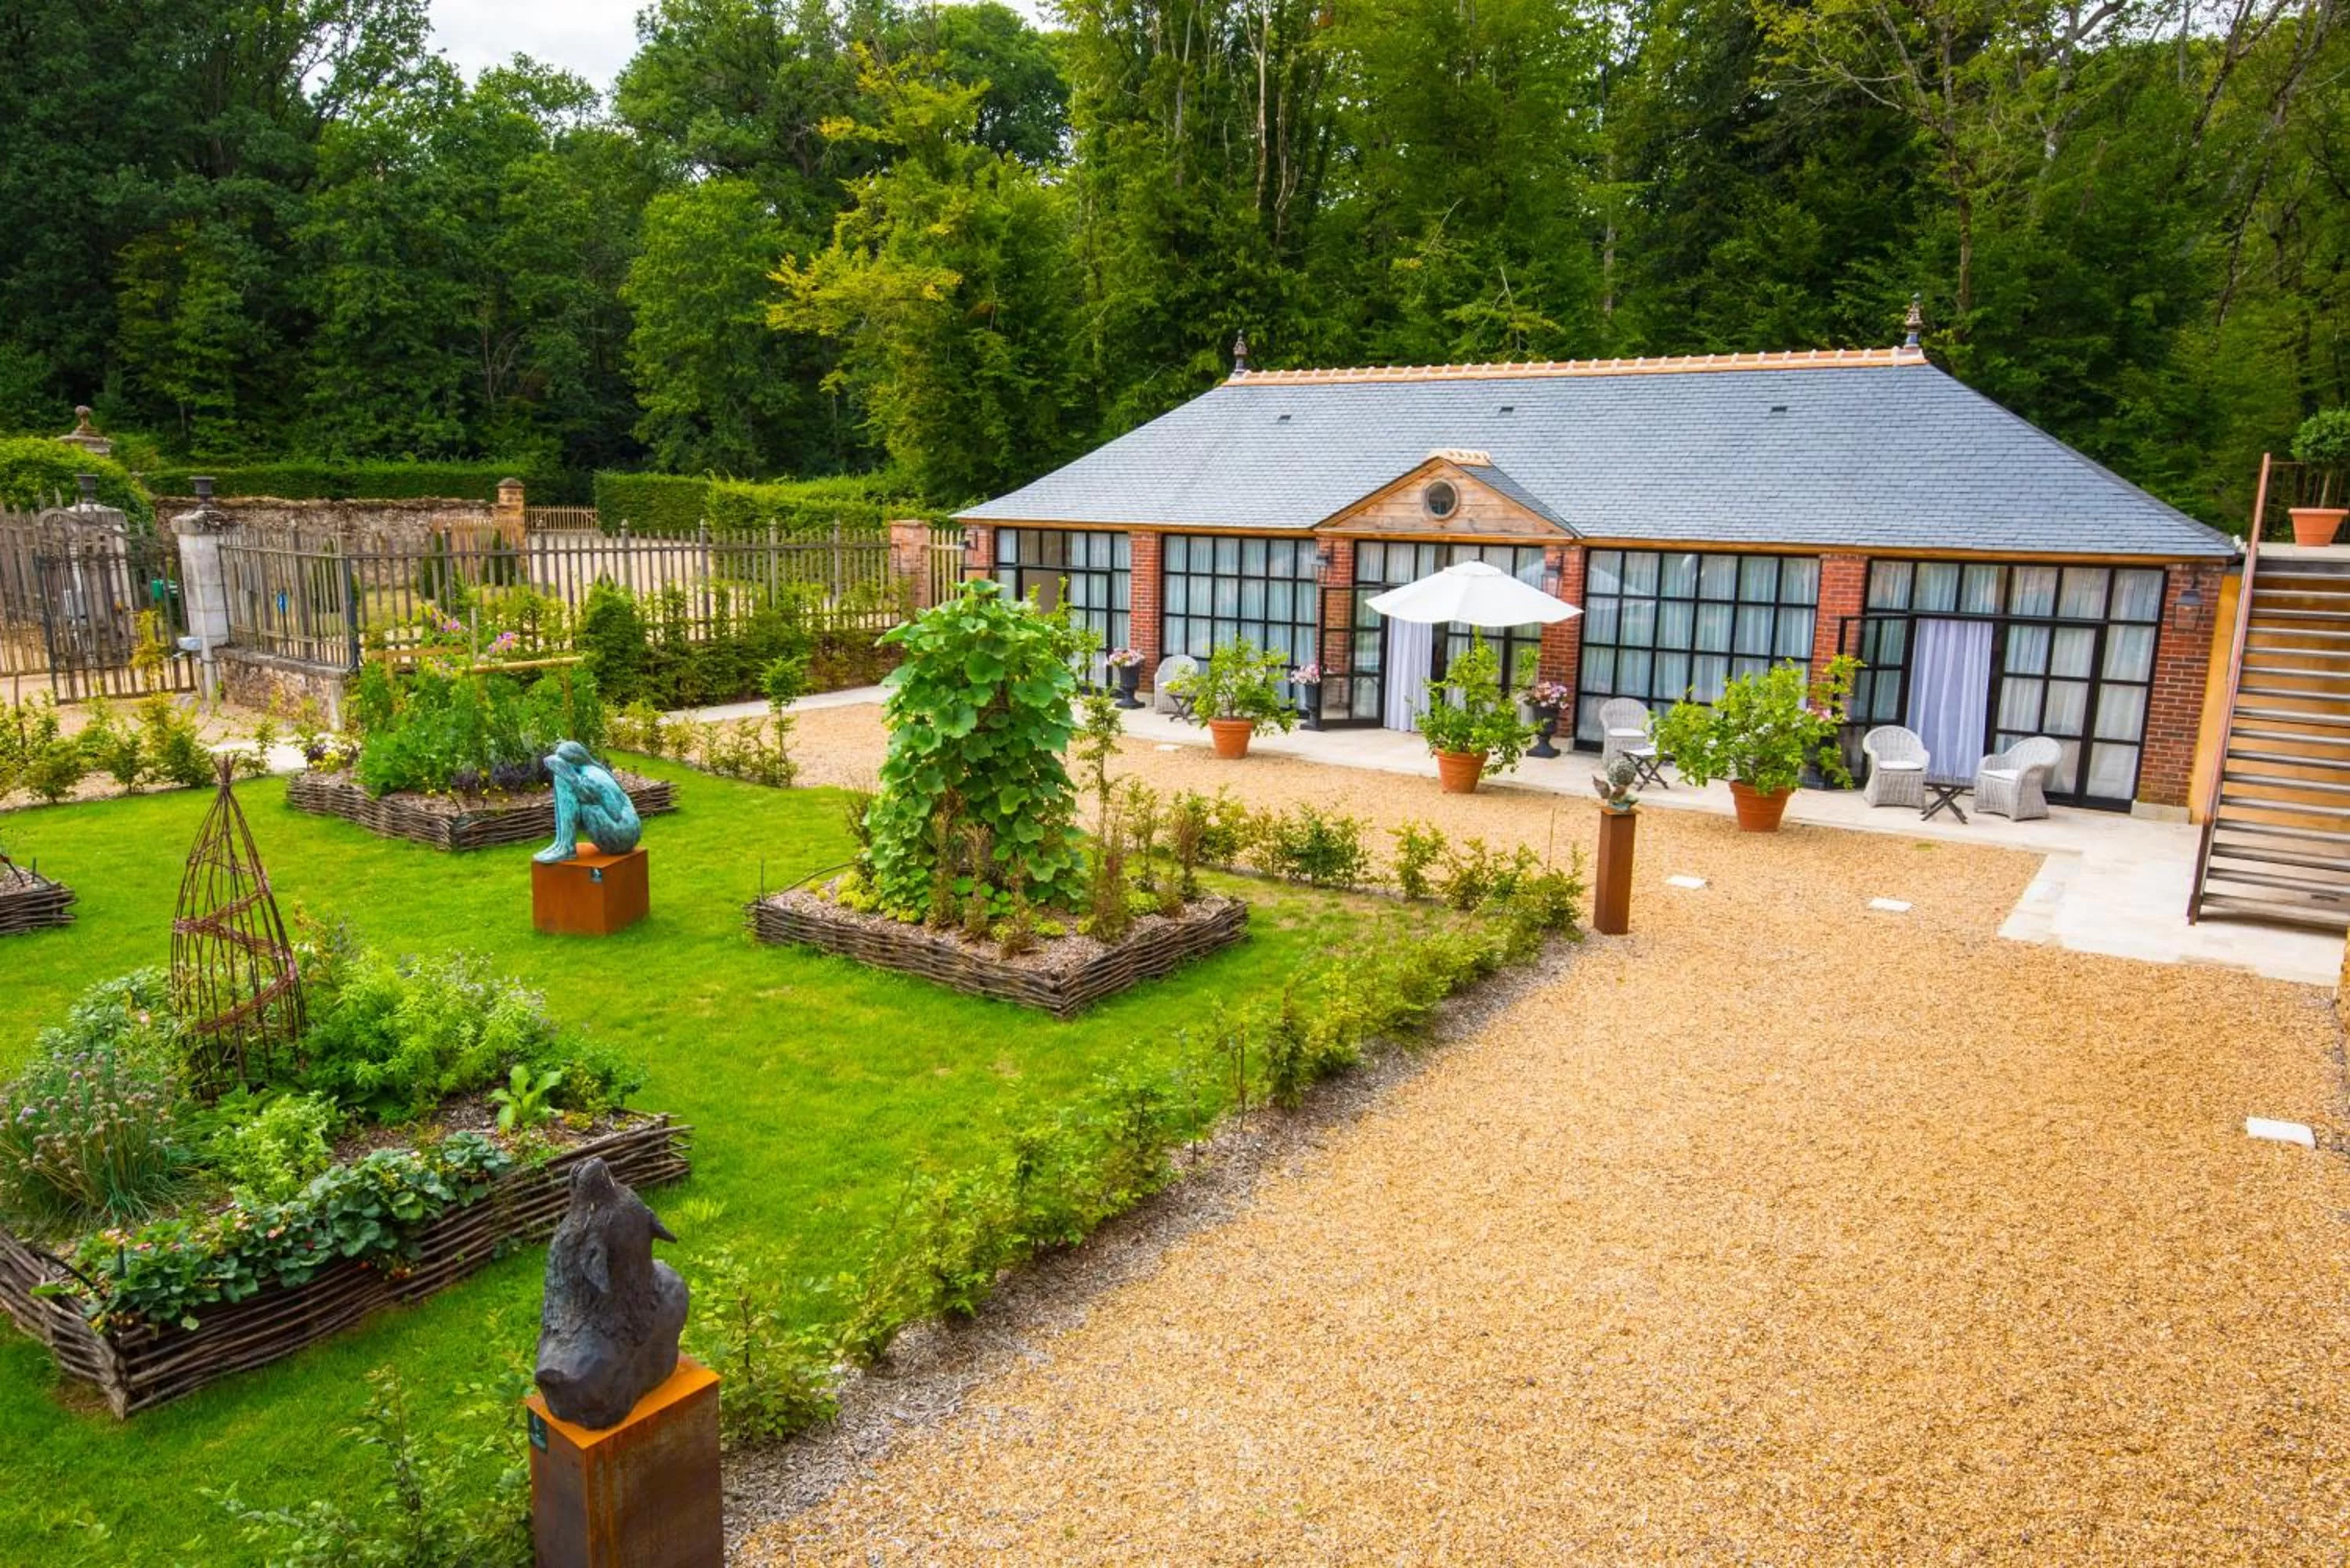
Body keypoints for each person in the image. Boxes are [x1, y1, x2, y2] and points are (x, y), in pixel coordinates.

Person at [534, 741, 642, 862]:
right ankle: (561, 843)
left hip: (621, 835)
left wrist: (573, 781)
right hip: (629, 835)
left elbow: (615, 812)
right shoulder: (590, 770)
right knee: (564, 779)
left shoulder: (591, 777)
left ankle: (566, 847)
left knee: (563, 781)